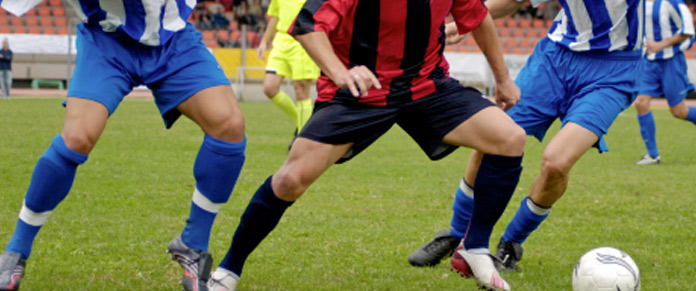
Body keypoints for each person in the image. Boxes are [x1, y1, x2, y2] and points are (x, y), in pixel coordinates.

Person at [409, 0, 696, 272]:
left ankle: (510, 244)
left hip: (613, 71)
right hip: (554, 61)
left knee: (556, 163)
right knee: (494, 138)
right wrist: (460, 24)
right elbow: (515, 1)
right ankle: (456, 234)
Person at [207, 0, 527, 290]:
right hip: (359, 93)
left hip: (426, 87)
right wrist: (339, 72)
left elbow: (478, 17)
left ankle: (474, 248)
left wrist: (503, 78)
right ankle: (229, 269)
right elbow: (308, 24)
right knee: (290, 179)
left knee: (509, 138)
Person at [0, 1, 248, 291]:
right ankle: (16, 250)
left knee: (229, 126)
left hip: (173, 40)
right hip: (108, 39)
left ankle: (193, 244)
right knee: (77, 138)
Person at [633, 0, 696, 166]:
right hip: (649, 61)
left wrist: (661, 44)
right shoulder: (639, 3)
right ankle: (653, 155)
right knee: (640, 102)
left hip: (671, 61)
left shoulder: (673, 3)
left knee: (678, 111)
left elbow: (688, 31)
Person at [255, 0, 319, 135]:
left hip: (303, 40)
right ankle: (301, 120)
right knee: (269, 88)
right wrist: (263, 41)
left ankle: (303, 138)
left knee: (301, 90)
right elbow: (275, 16)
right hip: (281, 41)